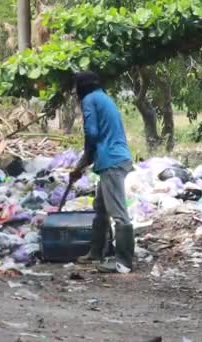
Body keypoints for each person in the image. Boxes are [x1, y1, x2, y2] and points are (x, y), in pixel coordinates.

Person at [70, 71, 134, 273]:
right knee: (101, 208)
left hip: (112, 161)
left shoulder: (89, 100)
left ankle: (124, 262)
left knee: (118, 213)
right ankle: (96, 252)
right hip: (114, 158)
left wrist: (81, 165)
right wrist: (81, 166)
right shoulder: (103, 97)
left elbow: (92, 134)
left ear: (81, 87)